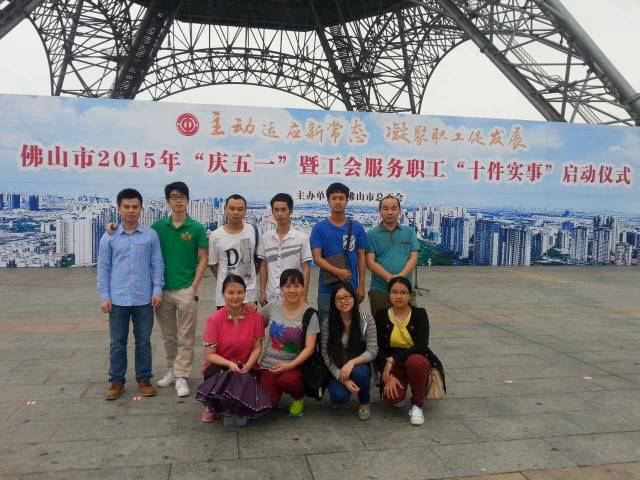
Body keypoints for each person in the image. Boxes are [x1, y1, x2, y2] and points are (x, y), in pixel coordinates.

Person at [97, 188, 164, 400]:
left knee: (143, 341)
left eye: (135, 207)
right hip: (117, 299)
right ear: (119, 208)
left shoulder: (150, 235)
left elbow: (157, 264)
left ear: (141, 209)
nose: (131, 210)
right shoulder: (109, 237)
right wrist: (104, 296)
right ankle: (116, 381)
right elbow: (104, 267)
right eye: (126, 206)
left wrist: (157, 289)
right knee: (117, 342)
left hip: (144, 297)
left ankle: (144, 378)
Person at [152, 181, 208, 397]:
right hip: (163, 289)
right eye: (174, 197)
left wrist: (194, 286)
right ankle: (172, 370)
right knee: (169, 335)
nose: (178, 201)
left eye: (182, 197)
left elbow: (203, 258)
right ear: (168, 201)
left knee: (186, 335)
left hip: (186, 288)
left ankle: (182, 375)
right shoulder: (158, 227)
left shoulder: (196, 228)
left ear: (187, 200)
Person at [196, 274, 272, 425]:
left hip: (246, 366)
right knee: (216, 374)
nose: (235, 297)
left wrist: (249, 364)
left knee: (245, 403)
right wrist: (229, 364)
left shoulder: (255, 317)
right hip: (221, 366)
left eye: (239, 292)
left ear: (245, 293)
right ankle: (212, 405)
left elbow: (257, 347)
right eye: (230, 292)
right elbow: (209, 355)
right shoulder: (214, 320)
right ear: (223, 294)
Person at [259, 269, 319, 418]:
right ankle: (275, 391)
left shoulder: (310, 314)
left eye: (297, 286)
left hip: (294, 365)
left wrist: (290, 366)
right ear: (281, 288)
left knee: (288, 381)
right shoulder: (270, 308)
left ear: (303, 288)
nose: (292, 290)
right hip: (268, 364)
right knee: (267, 404)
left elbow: (310, 348)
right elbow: (256, 330)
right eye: (287, 286)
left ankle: (298, 398)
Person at [374, 276, 431, 426]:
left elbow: (422, 345)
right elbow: (378, 347)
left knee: (415, 362)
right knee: (393, 397)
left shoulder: (420, 314)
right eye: (394, 292)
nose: (399, 296)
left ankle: (417, 405)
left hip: (415, 356)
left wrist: (392, 360)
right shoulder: (381, 315)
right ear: (389, 294)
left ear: (410, 295)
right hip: (392, 361)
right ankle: (403, 382)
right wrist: (386, 370)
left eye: (403, 292)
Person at [310, 183, 368, 323]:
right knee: (326, 324)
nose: (337, 202)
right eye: (334, 198)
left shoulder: (357, 227)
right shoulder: (319, 228)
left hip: (351, 285)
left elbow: (361, 257)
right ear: (328, 200)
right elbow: (317, 258)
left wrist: (361, 286)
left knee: (349, 324)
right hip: (327, 287)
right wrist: (338, 272)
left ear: (347, 200)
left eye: (341, 198)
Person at [321, 282, 378, 420]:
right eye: (339, 298)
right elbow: (325, 353)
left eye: (347, 297)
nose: (343, 301)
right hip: (338, 368)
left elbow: (372, 350)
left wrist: (352, 363)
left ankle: (364, 401)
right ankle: (344, 388)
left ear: (354, 297)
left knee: (361, 373)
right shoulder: (328, 323)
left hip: (359, 366)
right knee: (338, 398)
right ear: (333, 302)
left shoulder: (366, 319)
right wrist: (341, 377)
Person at [366, 195, 419, 316]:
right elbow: (370, 262)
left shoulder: (409, 232)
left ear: (399, 211)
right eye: (385, 208)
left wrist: (400, 277)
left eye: (394, 208)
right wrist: (391, 279)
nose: (390, 212)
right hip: (380, 290)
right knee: (381, 325)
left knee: (410, 324)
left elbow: (413, 257)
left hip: (405, 288)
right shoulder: (371, 234)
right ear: (380, 211)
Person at [258, 193, 312, 305]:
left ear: (290, 211)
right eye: (276, 210)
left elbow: (305, 268)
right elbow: (263, 265)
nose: (279, 214)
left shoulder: (301, 238)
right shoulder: (265, 238)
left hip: (293, 295)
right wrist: (262, 291)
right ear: (272, 211)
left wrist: (304, 295)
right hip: (270, 296)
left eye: (283, 210)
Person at [209, 194, 258, 311]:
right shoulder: (216, 236)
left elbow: (258, 260)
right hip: (225, 295)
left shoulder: (252, 230)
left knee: (249, 323)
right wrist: (227, 281)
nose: (236, 212)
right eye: (232, 208)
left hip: (249, 294)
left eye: (240, 209)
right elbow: (213, 264)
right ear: (225, 209)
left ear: (245, 211)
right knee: (226, 323)